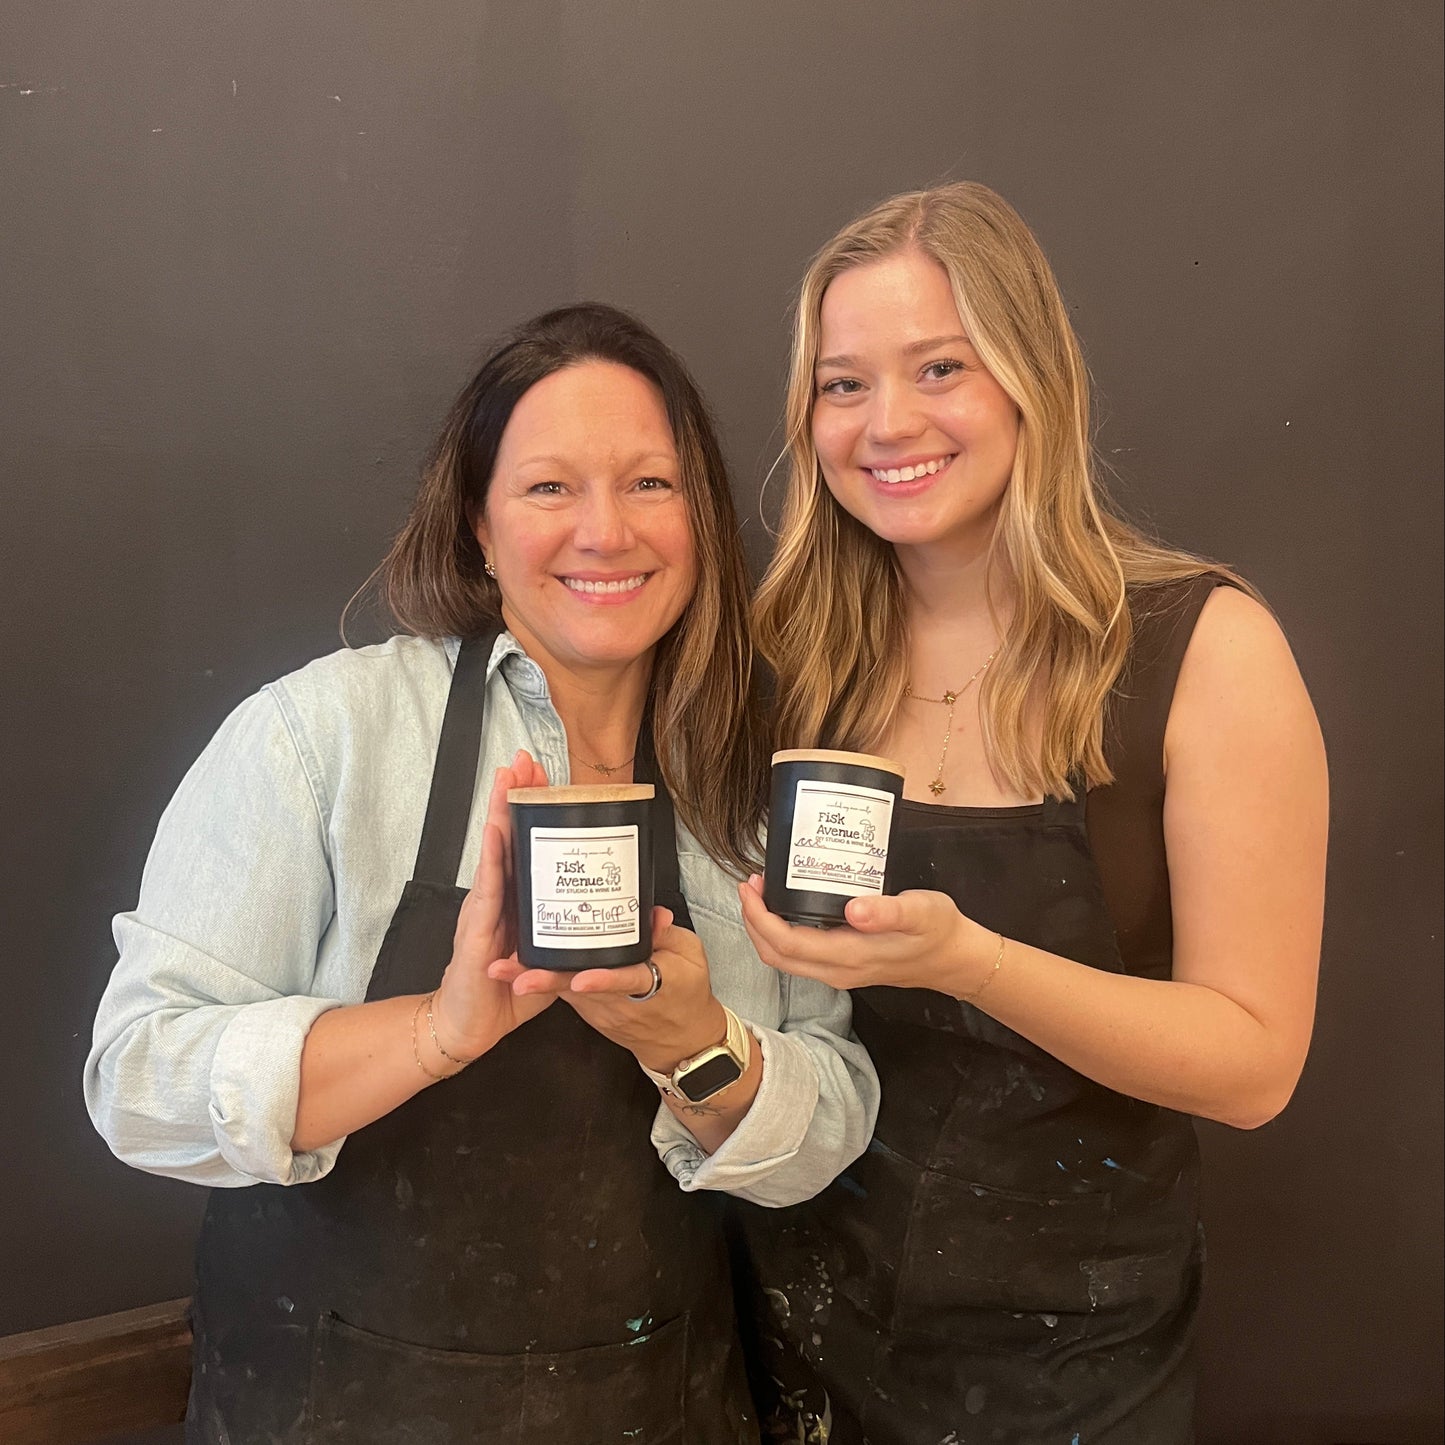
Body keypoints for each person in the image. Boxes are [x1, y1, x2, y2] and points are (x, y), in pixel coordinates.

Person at [84, 303, 878, 1444]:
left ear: (699, 515)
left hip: (652, 1401)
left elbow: (829, 1125)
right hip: (330, 1402)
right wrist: (436, 1031)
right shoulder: (321, 737)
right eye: (549, 487)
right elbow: (137, 1082)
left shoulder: (758, 784)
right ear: (478, 524)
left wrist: (696, 1046)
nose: (604, 530)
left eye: (649, 483)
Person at [731, 183, 1328, 1442]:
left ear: (1029, 380)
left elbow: (1252, 1064)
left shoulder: (1200, 651)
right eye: (841, 384)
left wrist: (968, 961)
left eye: (938, 367)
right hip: (787, 1340)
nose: (886, 422)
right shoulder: (785, 661)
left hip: (1075, 1364)